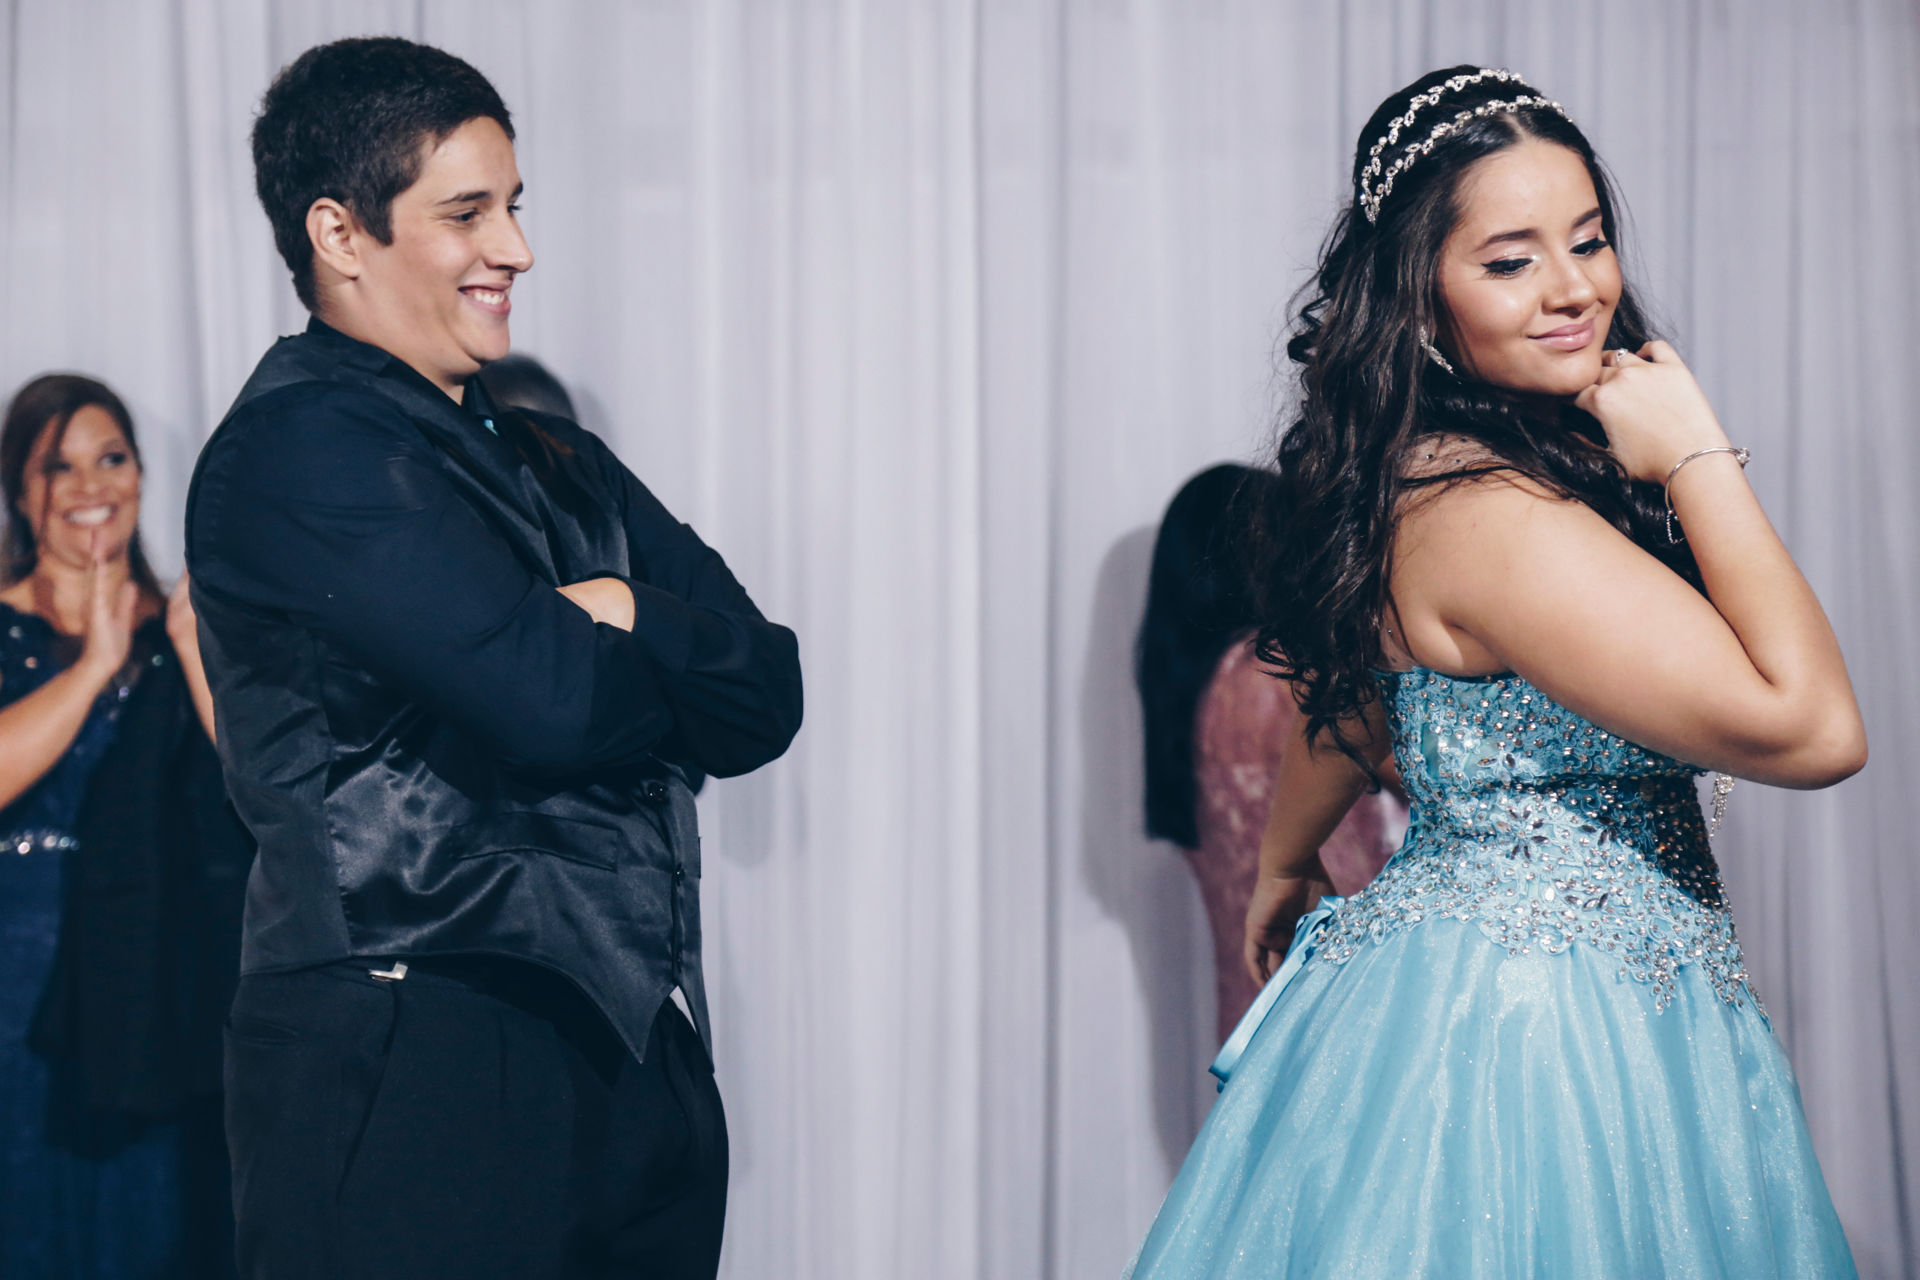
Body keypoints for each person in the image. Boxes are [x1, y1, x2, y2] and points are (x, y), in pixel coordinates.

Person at [1124, 66, 1864, 1278]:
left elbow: (1361, 697)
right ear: (1420, 292)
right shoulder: (1490, 515)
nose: (1575, 288)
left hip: (1527, 995)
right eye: (1512, 260)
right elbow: (1818, 728)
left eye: (1589, 239)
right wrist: (1698, 454)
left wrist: (1285, 861)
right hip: (1539, 1038)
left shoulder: (1432, 471)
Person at [187, 37, 802, 1280]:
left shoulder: (561, 458)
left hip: (635, 1057)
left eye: (513, 206)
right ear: (338, 233)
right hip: (411, 1046)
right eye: (467, 213)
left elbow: (766, 694)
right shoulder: (299, 445)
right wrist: (631, 659)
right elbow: (554, 704)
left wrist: (621, 603)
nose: (515, 248)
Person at [0, 373, 247, 1279]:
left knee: (155, 1225)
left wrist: (188, 649)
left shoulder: (186, 624)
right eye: (55, 466)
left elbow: (263, 794)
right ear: (19, 491)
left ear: (141, 473)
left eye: (109, 458)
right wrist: (93, 667)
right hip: (15, 976)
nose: (88, 486)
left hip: (153, 983)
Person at [1136, 464, 1404, 1043]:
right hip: (1341, 988)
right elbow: (1431, 775)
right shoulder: (1287, 674)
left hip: (1249, 1003)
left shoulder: (1192, 694)